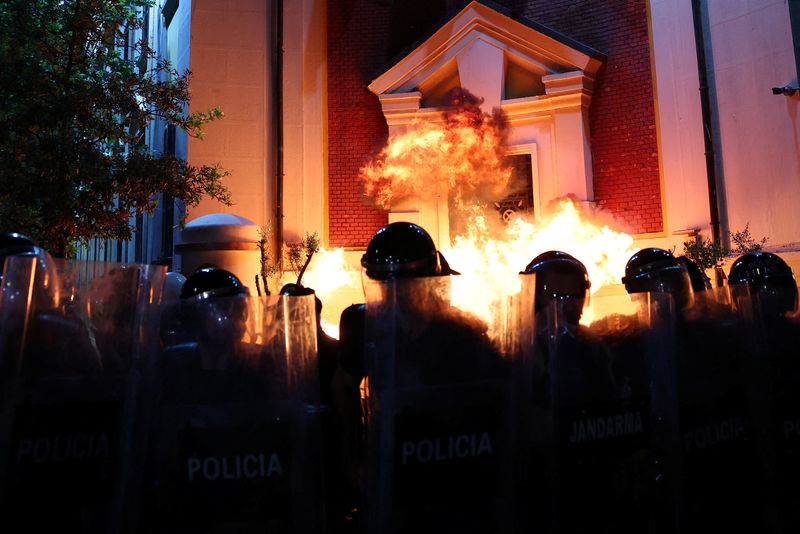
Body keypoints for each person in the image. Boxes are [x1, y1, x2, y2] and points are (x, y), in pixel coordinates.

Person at [356, 221, 508, 533]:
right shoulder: (373, 332)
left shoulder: (464, 337)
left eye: (405, 288)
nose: (396, 298)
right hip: (398, 483)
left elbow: (495, 405)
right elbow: (346, 398)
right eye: (387, 288)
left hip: (453, 480)